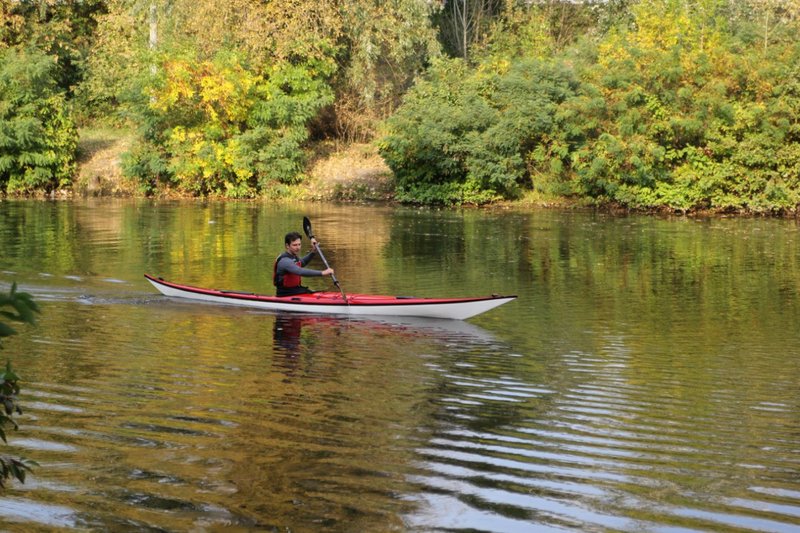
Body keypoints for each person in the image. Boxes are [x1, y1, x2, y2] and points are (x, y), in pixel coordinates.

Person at [273, 231, 334, 296]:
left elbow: (302, 262)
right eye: (295, 245)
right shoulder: (285, 261)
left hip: (295, 290)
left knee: (317, 292)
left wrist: (313, 252)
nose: (298, 247)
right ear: (287, 246)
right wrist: (322, 273)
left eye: (299, 244)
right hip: (285, 294)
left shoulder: (293, 257)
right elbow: (300, 271)